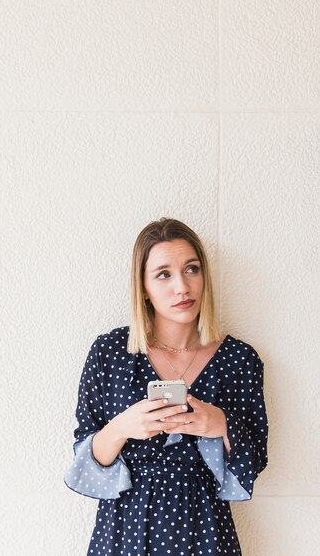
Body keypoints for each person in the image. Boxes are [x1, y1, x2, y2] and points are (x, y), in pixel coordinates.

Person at [64, 217, 268, 556]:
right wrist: (122, 427)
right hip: (124, 527)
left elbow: (254, 461)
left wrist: (221, 424)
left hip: (203, 526)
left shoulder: (239, 359)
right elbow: (85, 459)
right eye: (164, 274)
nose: (182, 287)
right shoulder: (110, 353)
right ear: (143, 286)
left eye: (191, 269)